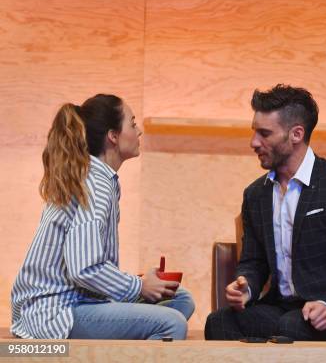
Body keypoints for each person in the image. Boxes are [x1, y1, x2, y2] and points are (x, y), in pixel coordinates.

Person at [205, 84, 326, 341]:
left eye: (264, 133)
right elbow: (252, 262)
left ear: (296, 134)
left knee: (291, 328)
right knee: (220, 323)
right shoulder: (255, 194)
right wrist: (245, 288)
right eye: (254, 132)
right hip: (283, 308)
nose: (253, 142)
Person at [11, 94, 195, 340]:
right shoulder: (95, 183)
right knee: (172, 324)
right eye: (132, 123)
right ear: (113, 136)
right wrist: (139, 286)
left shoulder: (98, 177)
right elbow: (84, 268)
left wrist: (141, 283)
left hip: (78, 301)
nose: (138, 131)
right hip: (57, 312)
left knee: (181, 300)